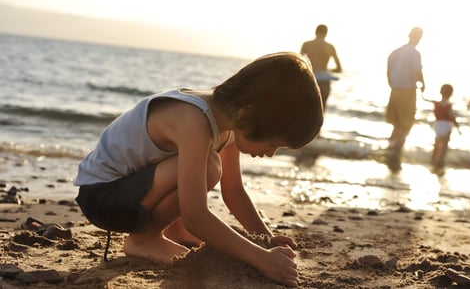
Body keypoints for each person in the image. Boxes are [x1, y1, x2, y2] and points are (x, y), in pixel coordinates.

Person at [74, 52, 324, 288]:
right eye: (274, 143)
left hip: (129, 193)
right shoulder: (193, 120)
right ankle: (144, 239)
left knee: (207, 166)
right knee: (209, 166)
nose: (270, 154)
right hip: (103, 198)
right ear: (248, 114)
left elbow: (234, 192)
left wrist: (265, 239)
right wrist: (262, 259)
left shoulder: (227, 124)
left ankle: (171, 231)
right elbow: (196, 217)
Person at [385, 27, 425, 169]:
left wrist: (392, 84)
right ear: (418, 37)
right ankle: (396, 151)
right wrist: (423, 83)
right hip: (407, 90)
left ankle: (390, 148)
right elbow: (417, 71)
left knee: (396, 123)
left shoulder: (395, 52)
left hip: (395, 89)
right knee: (406, 123)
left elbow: (388, 71)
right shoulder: (414, 53)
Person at [300, 24, 343, 108]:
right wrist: (326, 71)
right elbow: (339, 69)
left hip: (310, 79)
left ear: (315, 32)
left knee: (306, 108)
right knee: (321, 110)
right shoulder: (330, 47)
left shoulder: (306, 44)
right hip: (324, 81)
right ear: (326, 33)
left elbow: (300, 63)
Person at [422, 84, 461, 170]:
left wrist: (422, 91)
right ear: (451, 94)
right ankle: (440, 163)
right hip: (446, 126)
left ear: (440, 92)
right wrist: (458, 128)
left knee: (436, 145)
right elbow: (452, 117)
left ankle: (433, 161)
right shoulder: (448, 105)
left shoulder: (436, 103)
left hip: (438, 125)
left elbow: (424, 99)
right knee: (443, 148)